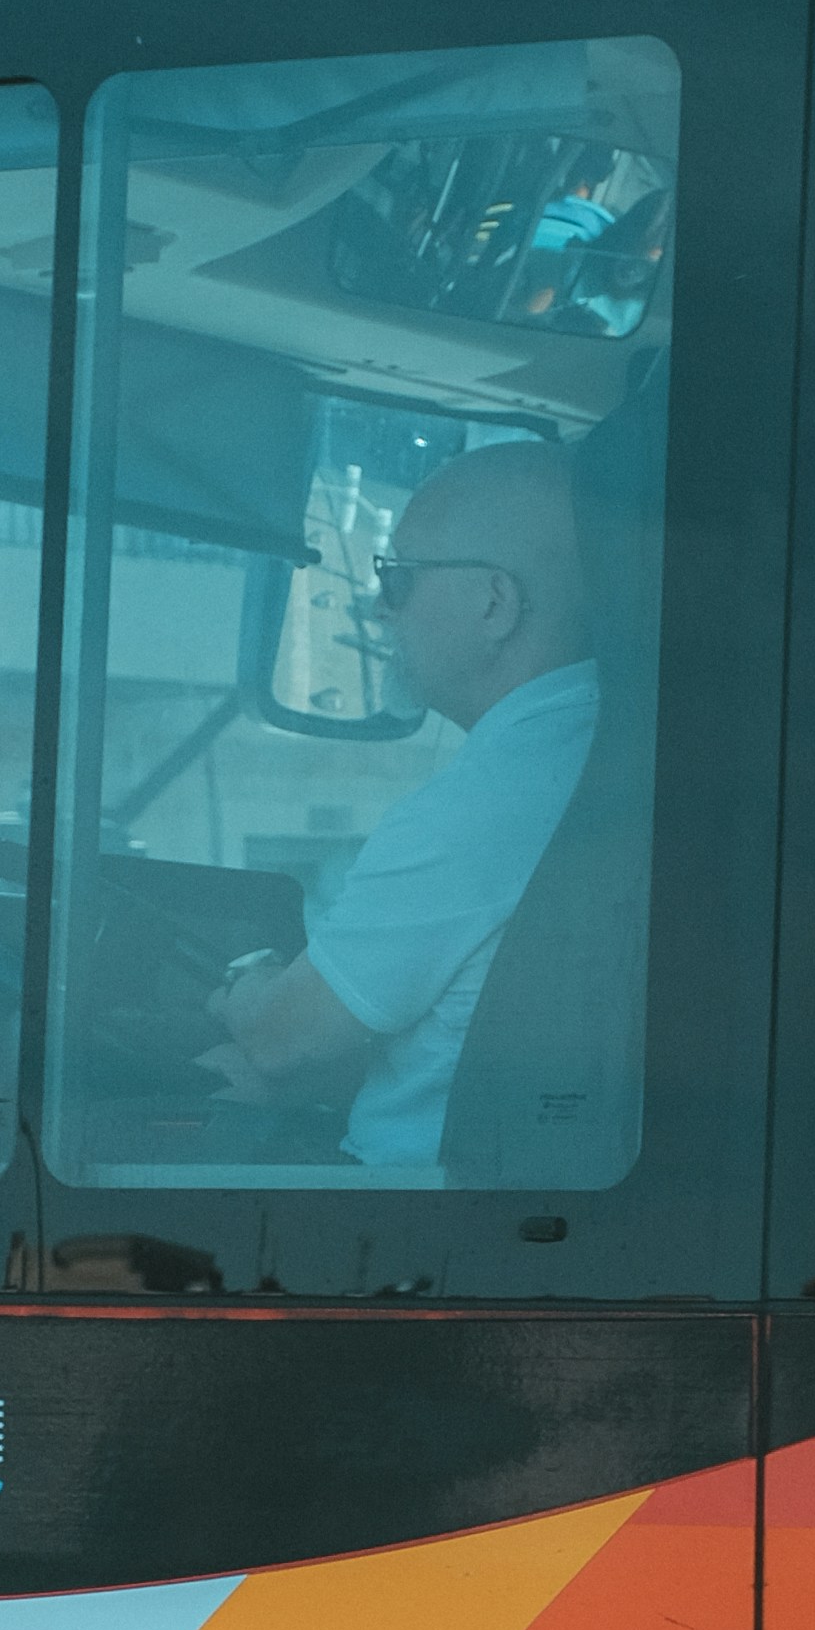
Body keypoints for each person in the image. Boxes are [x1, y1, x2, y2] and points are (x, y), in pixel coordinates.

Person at [204, 443, 600, 1173]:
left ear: (494, 603)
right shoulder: (596, 750)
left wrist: (243, 985)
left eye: (399, 577)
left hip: (413, 1216)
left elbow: (281, 1038)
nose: (381, 608)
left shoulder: (483, 803)